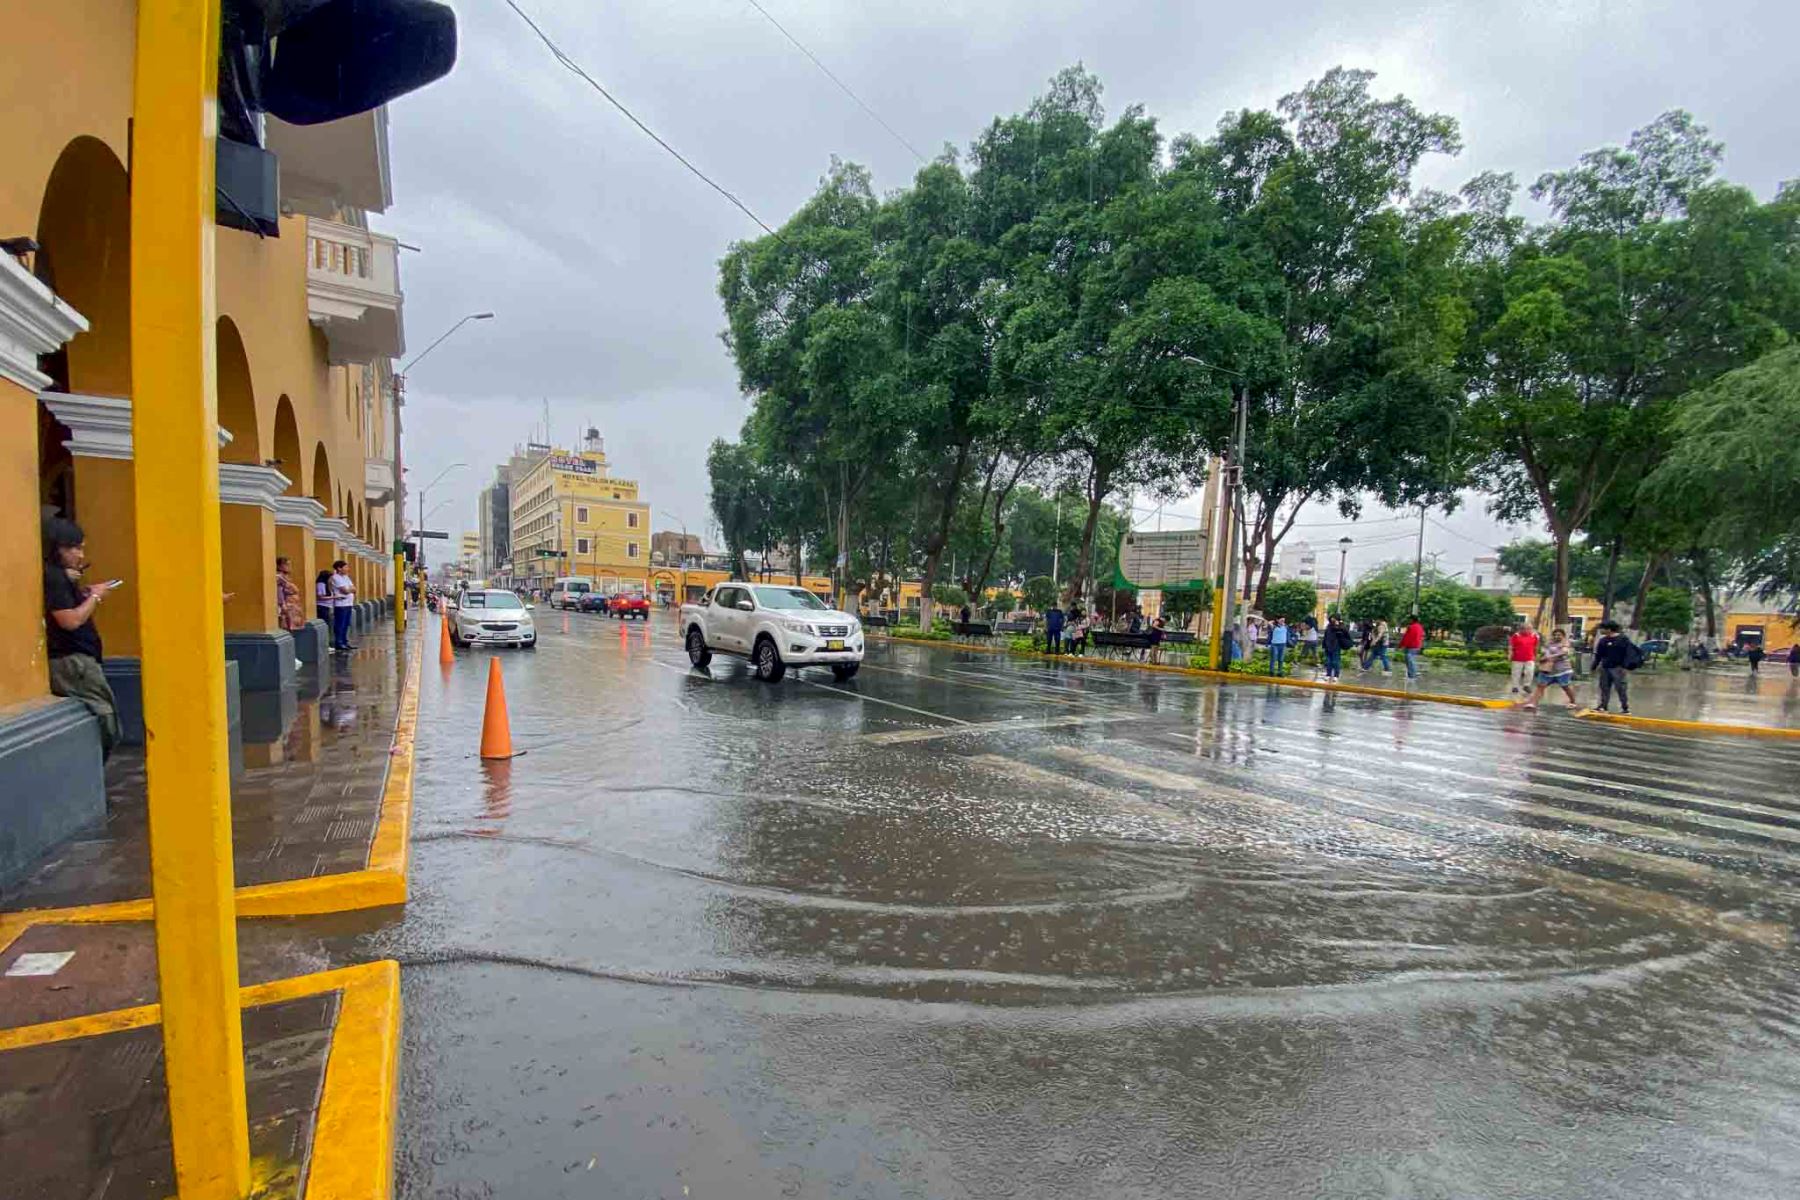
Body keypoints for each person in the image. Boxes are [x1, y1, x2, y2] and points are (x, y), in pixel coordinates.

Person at [42, 519, 121, 758]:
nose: (79, 554)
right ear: (57, 548)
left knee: (108, 719)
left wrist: (83, 591)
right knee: (108, 721)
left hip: (80, 660)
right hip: (73, 662)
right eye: (74, 548)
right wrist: (95, 597)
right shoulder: (54, 579)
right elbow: (70, 621)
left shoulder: (60, 578)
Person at [1523, 627, 1579, 711]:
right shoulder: (1549, 644)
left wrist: (1550, 657)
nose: (1556, 636)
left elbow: (1564, 652)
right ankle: (1533, 703)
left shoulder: (1565, 643)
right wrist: (1542, 658)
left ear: (1563, 636)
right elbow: (1543, 652)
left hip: (1562, 670)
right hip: (1547, 670)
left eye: (1559, 635)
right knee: (1540, 686)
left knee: (1565, 686)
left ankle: (1573, 702)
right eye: (1555, 635)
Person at [1590, 620, 1634, 713]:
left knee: (1621, 688)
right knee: (1604, 687)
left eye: (1602, 628)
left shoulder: (1623, 639)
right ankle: (1603, 706)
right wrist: (1594, 666)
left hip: (1618, 668)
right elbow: (1599, 655)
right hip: (1605, 668)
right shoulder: (1603, 640)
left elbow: (1629, 653)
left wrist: (1625, 666)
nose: (1601, 630)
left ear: (1609, 629)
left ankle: (1625, 708)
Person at [329, 559, 357, 651]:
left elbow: (354, 588)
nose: (348, 569)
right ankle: (339, 642)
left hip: (348, 604)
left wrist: (350, 589)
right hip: (341, 605)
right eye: (346, 567)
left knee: (346, 624)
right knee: (340, 624)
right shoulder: (335, 578)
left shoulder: (346, 577)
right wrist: (349, 589)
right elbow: (344, 590)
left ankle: (345, 642)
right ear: (339, 568)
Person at [1507, 624, 1540, 697]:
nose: (1526, 630)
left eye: (1529, 629)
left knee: (1530, 672)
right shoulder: (1516, 635)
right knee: (1516, 672)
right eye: (1524, 629)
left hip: (1530, 657)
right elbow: (1511, 646)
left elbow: (1536, 647)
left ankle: (1526, 686)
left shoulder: (1535, 636)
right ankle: (1515, 686)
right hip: (1517, 658)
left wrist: (1536, 656)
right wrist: (1510, 654)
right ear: (1520, 629)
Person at [275, 556, 303, 632]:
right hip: (287, 604)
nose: (289, 567)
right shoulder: (279, 577)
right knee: (286, 625)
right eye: (286, 564)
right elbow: (279, 591)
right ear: (279, 566)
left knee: (291, 626)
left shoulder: (285, 577)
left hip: (292, 604)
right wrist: (282, 604)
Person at [1321, 615, 1353, 683]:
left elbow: (1346, 634)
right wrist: (1324, 645)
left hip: (1336, 646)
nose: (1332, 621)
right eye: (1331, 619)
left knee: (1336, 662)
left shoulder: (1341, 627)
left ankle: (1336, 675)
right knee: (1329, 661)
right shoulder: (1329, 627)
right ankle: (1328, 674)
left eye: (1334, 619)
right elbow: (1326, 636)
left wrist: (1338, 626)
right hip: (1328, 646)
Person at [1399, 615, 1425, 680]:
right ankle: (1412, 674)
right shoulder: (1420, 627)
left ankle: (1412, 676)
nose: (1409, 621)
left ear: (1412, 620)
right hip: (1416, 646)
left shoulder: (1411, 627)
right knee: (1412, 660)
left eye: (1409, 619)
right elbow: (1421, 637)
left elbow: (1407, 637)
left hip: (1410, 646)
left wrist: (1401, 645)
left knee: (1409, 661)